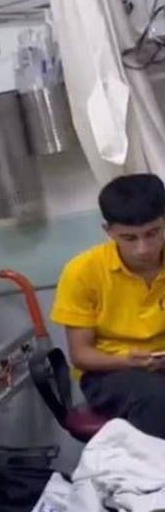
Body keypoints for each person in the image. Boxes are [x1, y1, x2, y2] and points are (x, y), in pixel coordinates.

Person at [52, 173, 165, 438]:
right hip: (111, 371)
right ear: (109, 231)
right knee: (155, 397)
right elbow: (81, 355)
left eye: (152, 233)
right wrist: (127, 361)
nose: (143, 248)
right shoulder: (83, 272)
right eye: (129, 238)